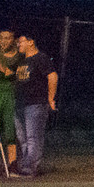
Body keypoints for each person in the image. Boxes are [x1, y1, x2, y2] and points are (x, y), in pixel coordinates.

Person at [12, 34, 56, 177]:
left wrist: (50, 98)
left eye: (20, 42)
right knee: (22, 138)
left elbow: (52, 76)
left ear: (31, 42)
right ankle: (27, 164)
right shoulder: (23, 61)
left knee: (33, 137)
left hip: (35, 103)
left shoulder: (40, 58)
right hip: (20, 104)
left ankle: (30, 168)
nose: (18, 45)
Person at [0, 30, 19, 173]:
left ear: (13, 40)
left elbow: (12, 74)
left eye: (7, 38)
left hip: (10, 94)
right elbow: (6, 72)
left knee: (10, 129)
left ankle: (13, 164)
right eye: (1, 38)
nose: (4, 41)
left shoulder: (18, 56)